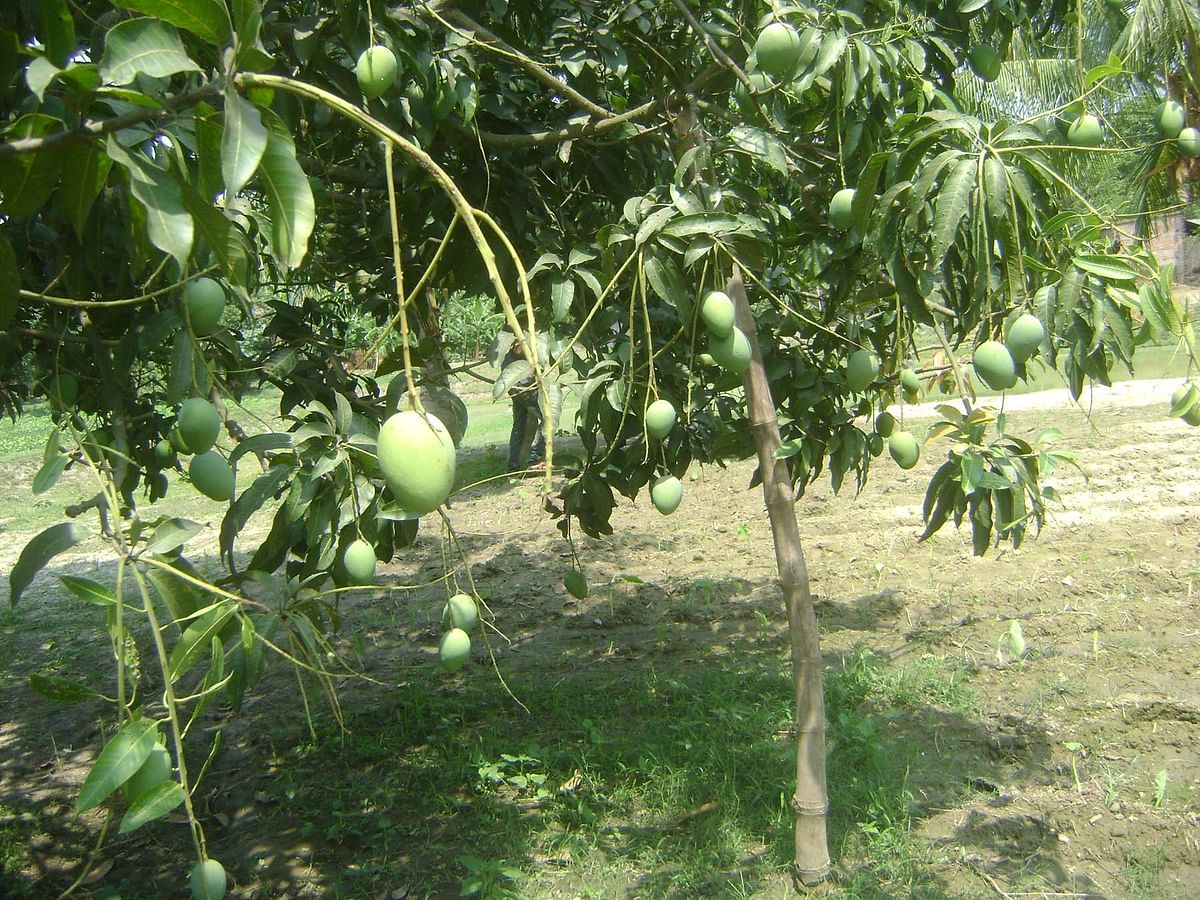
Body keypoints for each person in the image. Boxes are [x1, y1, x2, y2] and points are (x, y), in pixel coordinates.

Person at [503, 341, 545, 473]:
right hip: (525, 389)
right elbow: (519, 350)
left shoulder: (506, 353)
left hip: (514, 389)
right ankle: (535, 457)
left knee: (518, 427)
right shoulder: (515, 350)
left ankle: (513, 465)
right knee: (546, 419)